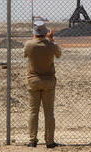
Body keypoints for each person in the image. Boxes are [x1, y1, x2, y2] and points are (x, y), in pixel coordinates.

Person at [24, 20, 61, 148]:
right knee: (49, 113)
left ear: (34, 33)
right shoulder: (51, 45)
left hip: (33, 81)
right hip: (48, 82)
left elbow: (25, 54)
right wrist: (52, 40)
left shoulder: (29, 45)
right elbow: (59, 54)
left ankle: (32, 140)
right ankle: (49, 141)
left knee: (33, 112)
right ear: (46, 33)